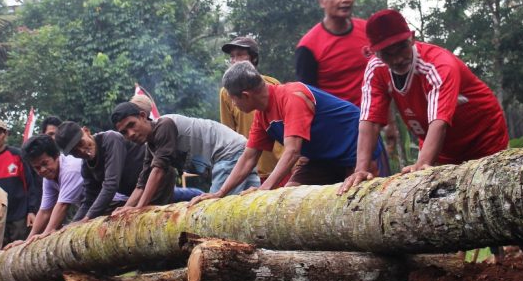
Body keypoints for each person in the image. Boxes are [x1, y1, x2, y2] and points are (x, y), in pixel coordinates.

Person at [338, 9, 523, 265]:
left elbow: (440, 120)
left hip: (482, 134)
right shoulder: (375, 69)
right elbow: (368, 119)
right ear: (375, 53)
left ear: (412, 38)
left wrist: (423, 164)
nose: (398, 58)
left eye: (401, 47)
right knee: (442, 201)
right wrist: (361, 169)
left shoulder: (437, 64)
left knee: (499, 195)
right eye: (388, 53)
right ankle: (465, 264)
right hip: (438, 143)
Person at [192, 62, 383, 205]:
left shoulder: (292, 96)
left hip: (354, 150)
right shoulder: (262, 116)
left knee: (357, 201)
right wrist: (221, 192)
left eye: (233, 100)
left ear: (246, 95)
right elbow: (249, 157)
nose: (233, 105)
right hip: (321, 159)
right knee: (289, 200)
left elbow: (292, 151)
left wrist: (265, 189)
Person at [112, 103, 258, 210]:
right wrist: (126, 208)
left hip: (228, 152)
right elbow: (142, 183)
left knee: (213, 211)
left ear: (143, 116)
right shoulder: (151, 146)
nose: (130, 134)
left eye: (132, 125)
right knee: (253, 206)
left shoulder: (164, 125)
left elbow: (158, 171)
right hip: (238, 150)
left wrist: (139, 208)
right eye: (124, 132)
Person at [295, 0, 371, 107]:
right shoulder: (308, 46)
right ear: (322, 2)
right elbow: (307, 98)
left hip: (371, 119)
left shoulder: (368, 31)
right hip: (335, 123)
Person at [219, 36, 284, 177]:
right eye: (232, 57)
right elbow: (228, 133)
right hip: (250, 169)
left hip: (279, 165)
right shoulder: (227, 93)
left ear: (253, 58)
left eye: (240, 55)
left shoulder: (272, 84)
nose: (235, 60)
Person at [54, 121, 145, 220]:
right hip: (137, 193)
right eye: (75, 152)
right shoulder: (85, 165)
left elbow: (111, 184)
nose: (82, 151)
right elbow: (89, 199)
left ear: (86, 131)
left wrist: (87, 218)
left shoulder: (111, 139)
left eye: (81, 143)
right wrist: (74, 224)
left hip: (154, 184)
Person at [0, 119, 39, 244]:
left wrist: (32, 210)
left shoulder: (18, 155)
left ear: (5, 134)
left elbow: (31, 184)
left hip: (20, 216)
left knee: (22, 249)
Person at [16, 134, 84, 242]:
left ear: (56, 156)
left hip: (111, 203)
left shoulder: (70, 169)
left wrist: (47, 232)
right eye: (37, 167)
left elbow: (62, 205)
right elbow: (44, 211)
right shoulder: (49, 177)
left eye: (45, 163)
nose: (42, 170)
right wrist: (27, 241)